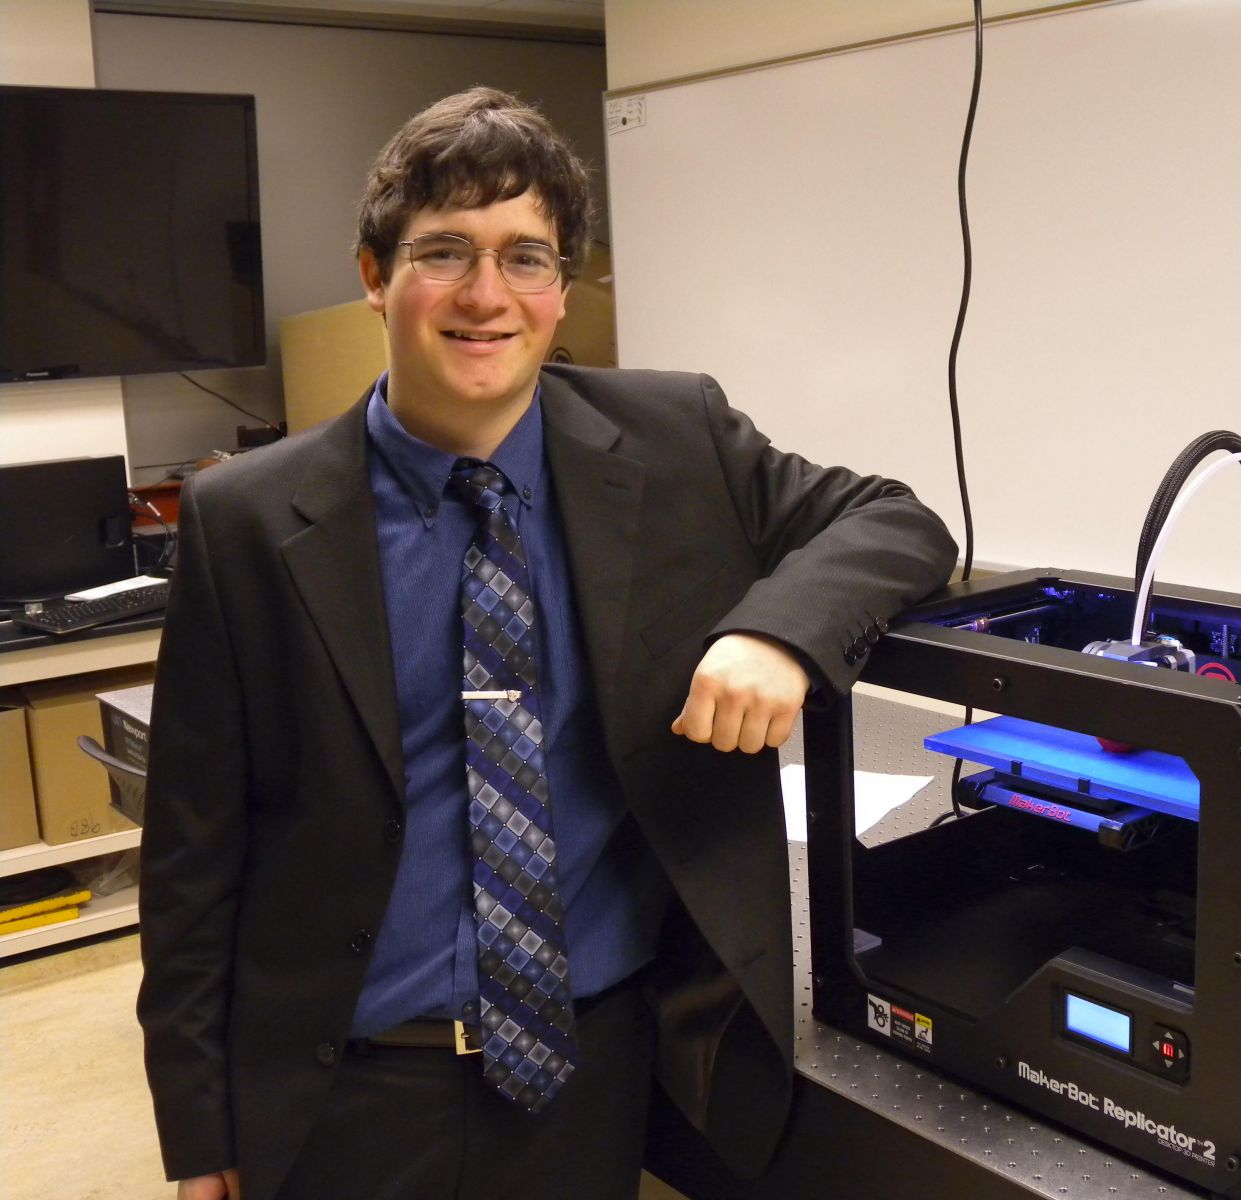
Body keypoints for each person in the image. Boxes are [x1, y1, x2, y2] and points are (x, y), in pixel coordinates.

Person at [136, 86, 956, 1200]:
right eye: (443, 253)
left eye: (526, 256)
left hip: (592, 1074)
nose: (486, 295)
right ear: (375, 277)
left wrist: (780, 631)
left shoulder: (674, 442)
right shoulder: (247, 518)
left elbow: (899, 522)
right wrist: (200, 1129)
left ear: (561, 290)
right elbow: (193, 855)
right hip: (346, 1092)